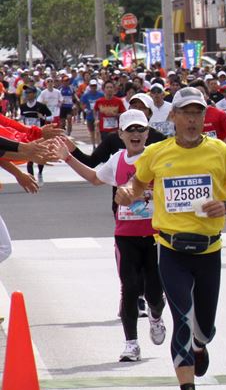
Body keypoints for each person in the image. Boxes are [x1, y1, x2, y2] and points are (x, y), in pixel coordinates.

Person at [115, 87, 226, 390]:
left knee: (203, 328)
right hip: (172, 249)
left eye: (198, 113)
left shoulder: (220, 151)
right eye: (186, 113)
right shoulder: (156, 152)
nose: (192, 120)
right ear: (173, 116)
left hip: (208, 250)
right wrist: (127, 193)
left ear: (205, 118)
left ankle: (200, 345)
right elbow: (137, 184)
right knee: (182, 319)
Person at [56, 110, 167, 362]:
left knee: (153, 293)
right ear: (121, 134)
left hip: (156, 235)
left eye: (140, 129)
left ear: (147, 133)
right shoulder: (117, 159)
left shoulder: (157, 157)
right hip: (126, 235)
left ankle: (156, 316)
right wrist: (68, 158)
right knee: (129, 288)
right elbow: (95, 178)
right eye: (130, 130)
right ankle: (131, 344)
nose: (136, 134)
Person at [19, 86, 52, 185]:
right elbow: (22, 118)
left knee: (40, 155)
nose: (28, 95)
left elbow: (50, 117)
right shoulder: (23, 106)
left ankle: (40, 173)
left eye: (29, 93)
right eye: (26, 93)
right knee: (29, 157)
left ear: (34, 94)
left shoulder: (41, 106)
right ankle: (32, 178)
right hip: (28, 135)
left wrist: (42, 117)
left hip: (39, 134)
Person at [80, 80, 105, 147]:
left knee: (98, 131)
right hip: (89, 116)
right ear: (90, 86)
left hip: (98, 116)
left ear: (96, 86)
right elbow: (82, 103)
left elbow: (104, 102)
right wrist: (85, 110)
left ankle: (99, 145)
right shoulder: (86, 95)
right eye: (92, 86)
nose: (93, 87)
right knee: (92, 132)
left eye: (94, 86)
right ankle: (94, 145)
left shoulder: (101, 94)